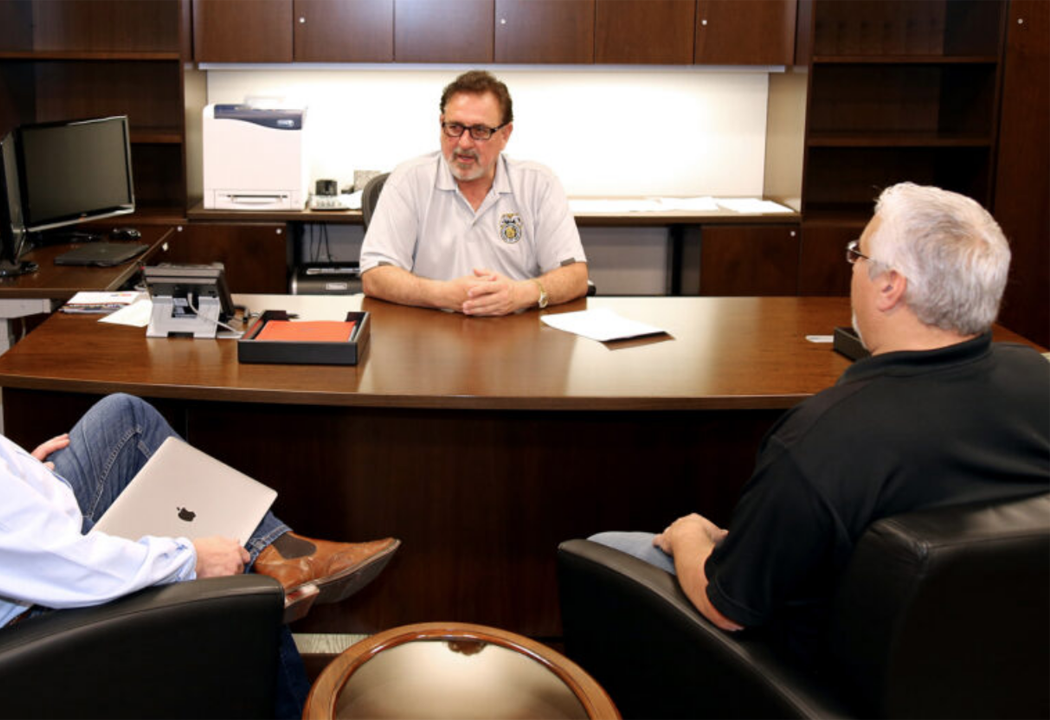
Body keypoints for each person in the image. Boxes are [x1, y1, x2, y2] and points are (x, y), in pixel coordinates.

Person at [0, 201, 401, 717]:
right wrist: (192, 559)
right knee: (239, 590)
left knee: (122, 415)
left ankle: (280, 547)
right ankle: (276, 584)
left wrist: (11, 471)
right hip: (23, 622)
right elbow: (69, 567)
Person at [588, 182, 1049, 665]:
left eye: (858, 254)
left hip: (826, 676)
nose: (853, 267)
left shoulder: (825, 436)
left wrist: (687, 535)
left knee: (604, 549)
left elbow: (729, 608)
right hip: (998, 662)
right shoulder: (1038, 377)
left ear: (890, 286)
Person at [359, 70, 589, 316]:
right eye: (455, 127)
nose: (464, 143)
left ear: (505, 135)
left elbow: (575, 276)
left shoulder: (538, 184)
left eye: (479, 130)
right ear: (441, 124)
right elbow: (375, 276)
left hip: (517, 332)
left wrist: (518, 294)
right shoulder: (409, 180)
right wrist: (445, 295)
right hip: (430, 331)